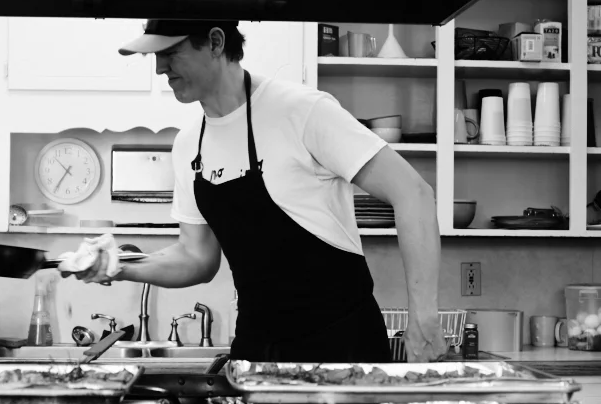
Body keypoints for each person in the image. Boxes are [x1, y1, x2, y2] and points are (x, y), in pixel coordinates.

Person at [67, 19, 446, 363]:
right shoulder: (188, 145)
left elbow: (413, 194)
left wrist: (424, 317)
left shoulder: (302, 111)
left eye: (170, 53)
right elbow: (196, 258)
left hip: (342, 350)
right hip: (255, 355)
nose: (160, 68)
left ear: (215, 42)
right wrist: (120, 267)